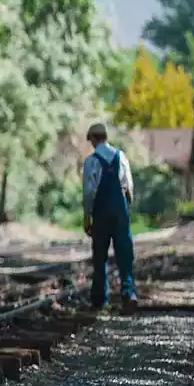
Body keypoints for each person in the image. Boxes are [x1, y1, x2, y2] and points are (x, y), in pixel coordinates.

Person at [82, 123, 137, 312]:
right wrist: (126, 210)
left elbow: (89, 192)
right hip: (120, 209)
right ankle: (128, 293)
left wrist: (87, 215)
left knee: (100, 255)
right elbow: (129, 186)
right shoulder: (121, 156)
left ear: (94, 139)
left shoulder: (91, 161)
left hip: (101, 211)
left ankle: (99, 299)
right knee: (124, 253)